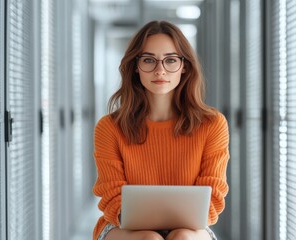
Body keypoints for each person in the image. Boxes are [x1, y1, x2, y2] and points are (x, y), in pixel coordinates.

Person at [93, 20, 230, 240]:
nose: (160, 70)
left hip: (190, 230)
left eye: (170, 60)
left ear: (184, 65)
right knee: (150, 239)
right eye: (149, 60)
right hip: (123, 228)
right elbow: (111, 195)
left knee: (183, 237)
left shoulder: (212, 124)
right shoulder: (109, 128)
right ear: (136, 66)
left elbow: (213, 195)